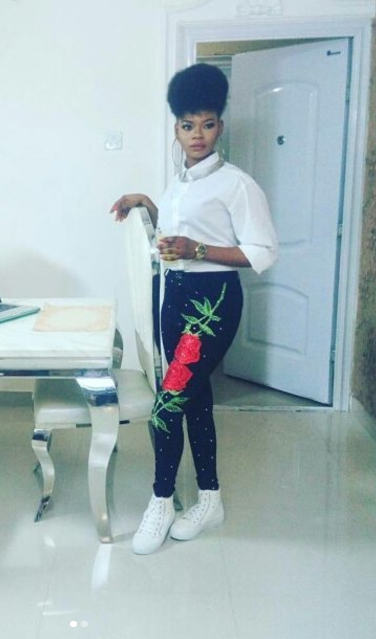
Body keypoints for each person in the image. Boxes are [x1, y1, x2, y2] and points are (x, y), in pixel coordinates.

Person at [110, 63, 278, 555]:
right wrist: (148, 204)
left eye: (207, 124)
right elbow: (177, 234)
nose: (197, 134)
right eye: (188, 125)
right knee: (195, 398)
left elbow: (262, 252)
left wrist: (196, 249)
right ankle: (210, 500)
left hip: (213, 302)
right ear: (177, 129)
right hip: (175, 296)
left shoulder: (237, 184)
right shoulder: (179, 183)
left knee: (166, 406)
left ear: (219, 126)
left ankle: (161, 501)